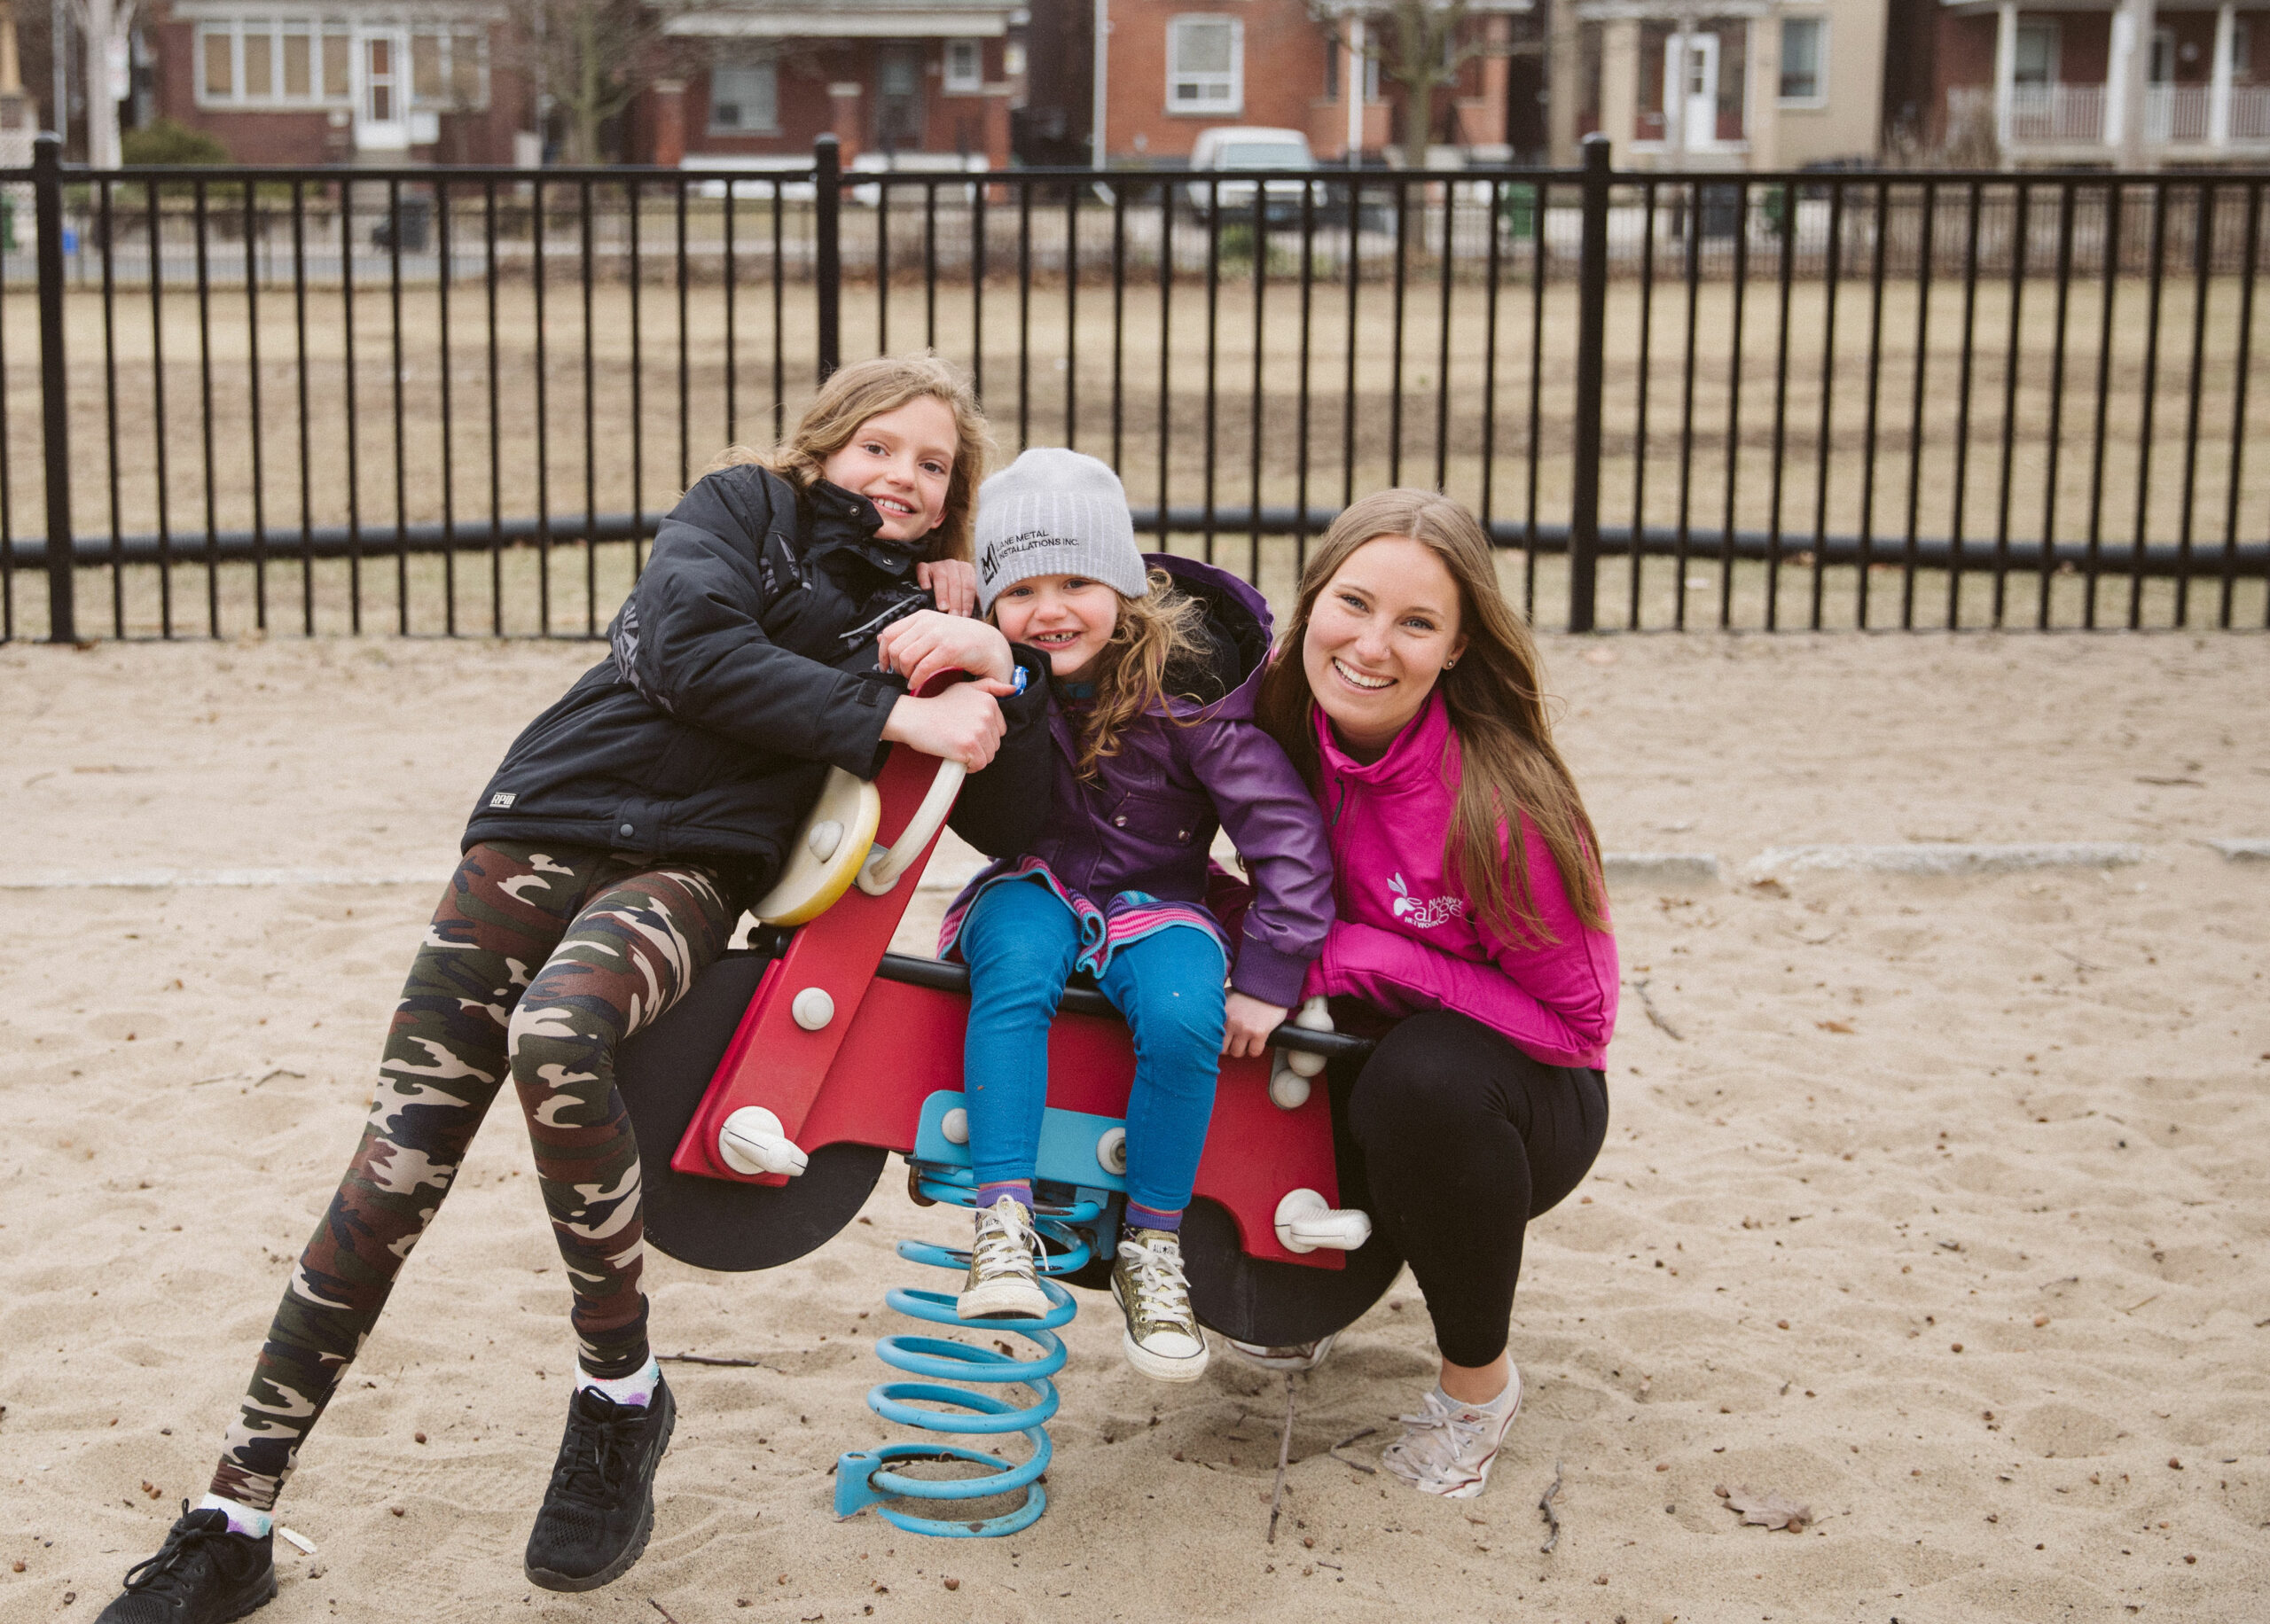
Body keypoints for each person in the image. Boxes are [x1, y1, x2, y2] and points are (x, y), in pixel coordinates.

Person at [96, 356, 1058, 1623]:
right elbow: (685, 648)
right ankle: (233, 1514)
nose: (903, 477)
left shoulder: (930, 622)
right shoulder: (739, 510)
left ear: (952, 501)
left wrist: (997, 656)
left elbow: (1023, 797)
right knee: (394, 1170)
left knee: (562, 1035)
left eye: (934, 466)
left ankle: (619, 1393)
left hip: (694, 869)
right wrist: (881, 712)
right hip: (539, 823)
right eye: (879, 446)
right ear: (822, 449)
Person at [918, 448, 1333, 1382]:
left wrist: (1269, 975)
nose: (1049, 607)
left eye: (1075, 579)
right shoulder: (995, 679)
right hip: (1035, 881)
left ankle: (1152, 1244)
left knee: (1188, 1011)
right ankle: (1003, 1219)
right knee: (1014, 960)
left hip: (1163, 897)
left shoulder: (1191, 698)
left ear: (1123, 582)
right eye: (1019, 587)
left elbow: (1285, 836)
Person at [1250, 488, 1616, 1499]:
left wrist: (1369, 956)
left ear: (1457, 648)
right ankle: (1292, 1295)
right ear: (1313, 597)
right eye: (1354, 603)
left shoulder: (1500, 806)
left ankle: (1475, 1390)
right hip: (1345, 1059)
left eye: (1417, 623)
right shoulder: (1274, 714)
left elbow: (1580, 1026)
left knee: (1419, 1078)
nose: (1373, 645)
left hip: (1507, 1103)